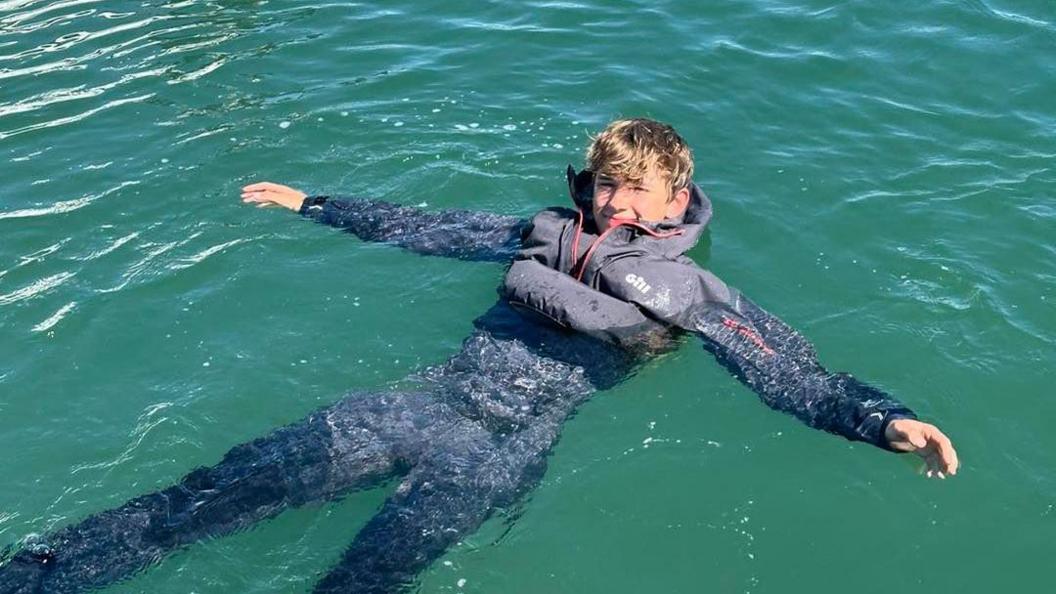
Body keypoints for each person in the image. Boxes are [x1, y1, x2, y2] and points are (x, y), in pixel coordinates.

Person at [0, 118, 957, 594]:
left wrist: (878, 420)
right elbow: (428, 225)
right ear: (587, 183)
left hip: (498, 450)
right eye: (606, 188)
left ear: (675, 205)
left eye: (637, 197)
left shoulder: (683, 289)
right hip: (415, 405)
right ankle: (35, 573)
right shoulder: (537, 231)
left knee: (357, 586)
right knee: (209, 497)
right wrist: (316, 204)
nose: (615, 209)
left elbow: (777, 363)